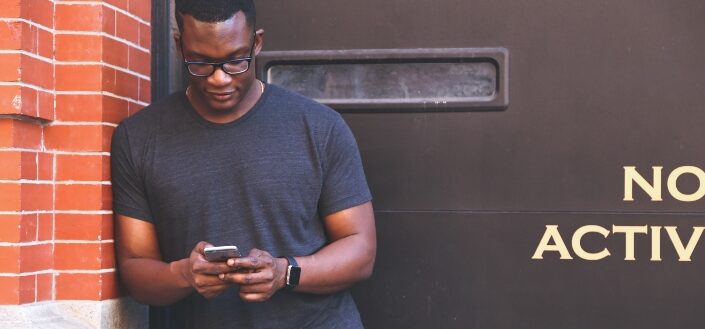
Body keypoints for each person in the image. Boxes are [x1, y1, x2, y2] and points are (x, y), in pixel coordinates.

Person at [110, 0, 376, 328]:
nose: (220, 79)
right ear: (179, 46)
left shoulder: (319, 127)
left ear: (257, 43)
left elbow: (360, 249)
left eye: (236, 60)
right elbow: (136, 269)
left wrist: (285, 272)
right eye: (201, 62)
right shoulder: (138, 138)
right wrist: (184, 274)